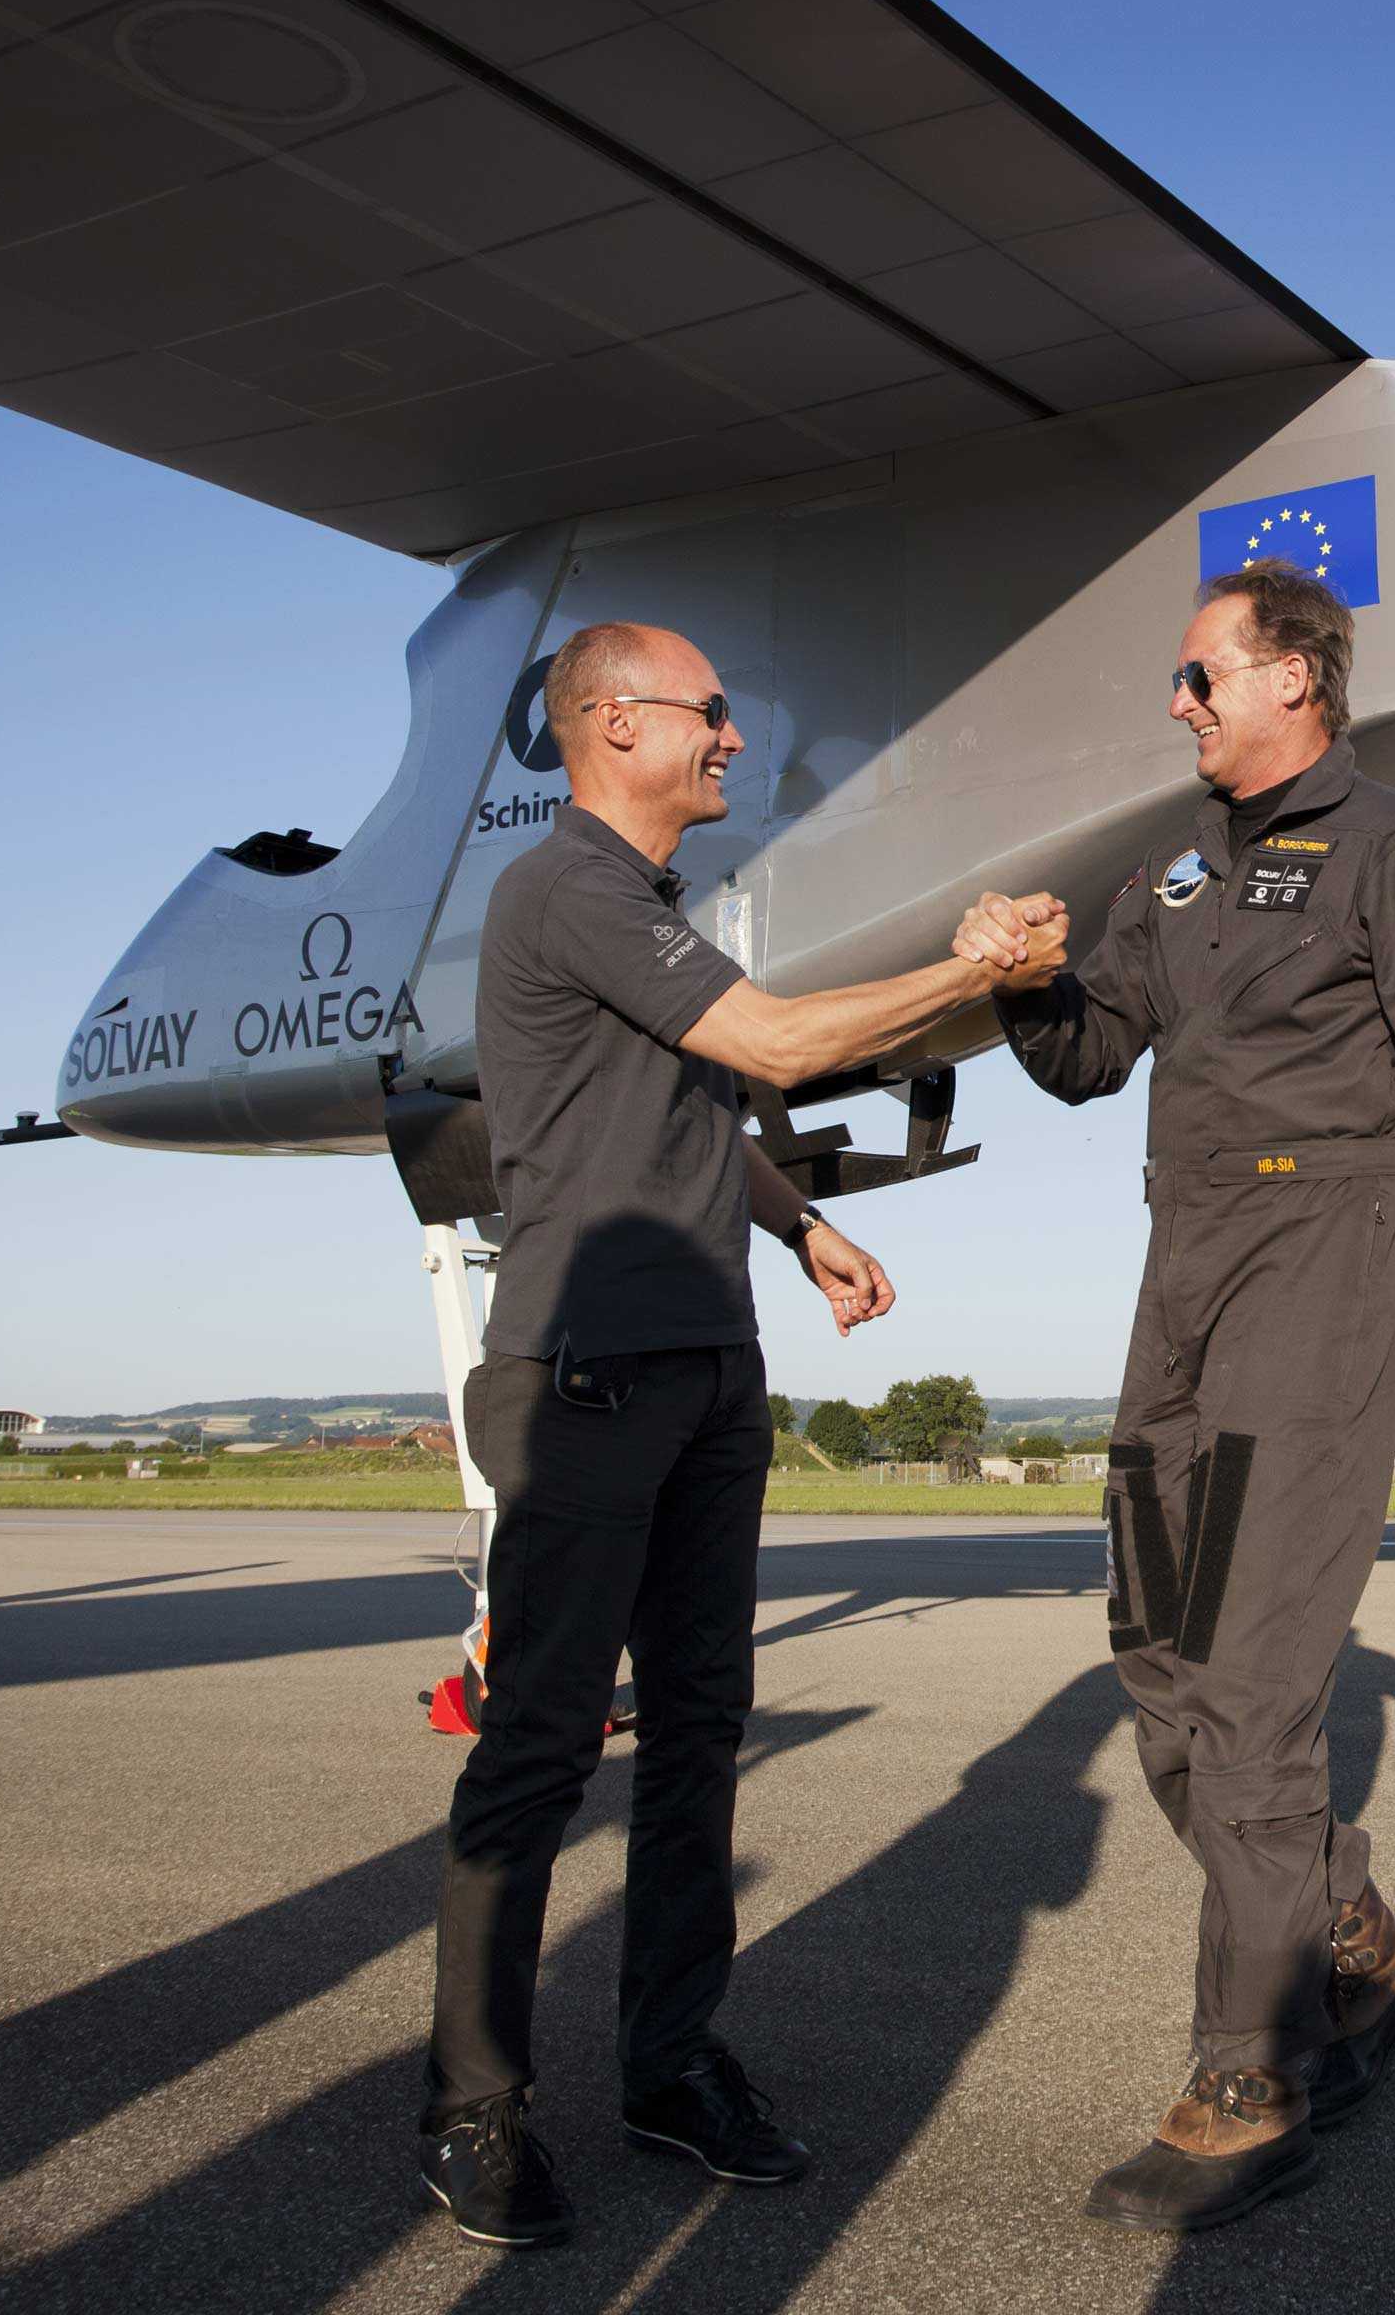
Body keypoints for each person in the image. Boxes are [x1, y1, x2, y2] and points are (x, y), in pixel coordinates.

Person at [419, 619, 1065, 2251]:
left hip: (705, 1368)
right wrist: (982, 969)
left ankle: (667, 2065)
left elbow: (703, 1102)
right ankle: (472, 2110)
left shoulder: (644, 912)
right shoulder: (560, 884)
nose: (729, 737)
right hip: (584, 1380)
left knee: (702, 1734)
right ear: (616, 724)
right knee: (544, 1749)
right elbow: (778, 1046)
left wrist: (797, 1229)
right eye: (708, 715)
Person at [962, 557, 1395, 2233]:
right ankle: (1357, 1950)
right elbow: (1092, 1061)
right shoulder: (1174, 879)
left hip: (1322, 1267)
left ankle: (1252, 2078)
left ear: (1294, 678)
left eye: (1199, 676)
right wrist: (1026, 976)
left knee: (1245, 1693)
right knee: (1158, 1656)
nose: (1179, 703)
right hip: (1184, 1279)